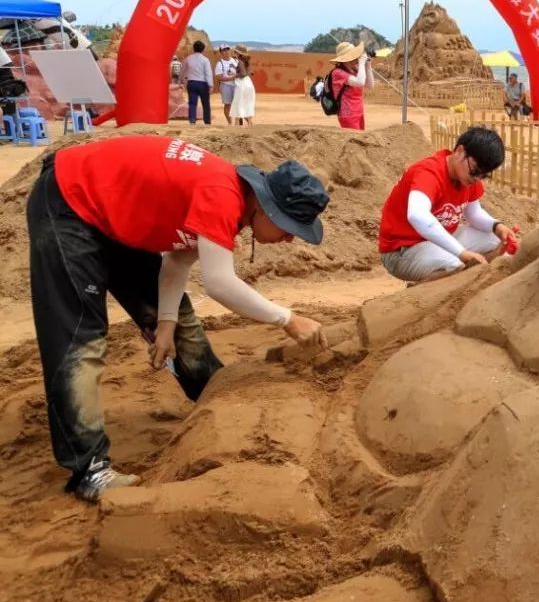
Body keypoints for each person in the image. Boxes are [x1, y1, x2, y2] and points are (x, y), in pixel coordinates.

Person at [26, 135, 331, 502]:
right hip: (69, 200)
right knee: (79, 337)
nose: (289, 241)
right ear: (267, 209)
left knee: (178, 319)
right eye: (289, 230)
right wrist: (288, 320)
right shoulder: (222, 194)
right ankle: (88, 469)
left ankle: (217, 397)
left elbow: (177, 259)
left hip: (114, 214)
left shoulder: (231, 201)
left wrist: (165, 322)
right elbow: (220, 284)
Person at [379, 126, 519, 283]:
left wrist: (497, 227)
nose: (477, 178)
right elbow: (417, 215)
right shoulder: (429, 173)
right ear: (460, 151)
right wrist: (462, 253)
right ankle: (420, 297)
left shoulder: (466, 178)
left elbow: (473, 214)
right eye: (475, 171)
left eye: (483, 175)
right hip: (402, 249)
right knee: (454, 266)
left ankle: (474, 281)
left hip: (437, 239)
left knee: (496, 241)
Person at [330, 41, 368, 131]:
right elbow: (360, 82)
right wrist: (362, 64)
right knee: (354, 141)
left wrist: (368, 67)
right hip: (348, 114)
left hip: (359, 112)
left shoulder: (353, 71)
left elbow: (370, 85)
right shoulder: (337, 73)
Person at [179, 40, 214, 125]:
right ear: (203, 49)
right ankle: (207, 121)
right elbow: (208, 73)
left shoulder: (188, 59)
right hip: (203, 84)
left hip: (192, 83)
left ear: (193, 48)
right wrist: (211, 85)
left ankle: (192, 120)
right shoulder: (205, 60)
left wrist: (181, 81)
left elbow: (183, 71)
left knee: (192, 103)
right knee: (205, 103)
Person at [229, 45, 255, 127]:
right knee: (248, 103)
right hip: (248, 83)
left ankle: (236, 124)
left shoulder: (239, 62)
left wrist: (234, 74)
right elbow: (247, 72)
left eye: (235, 52)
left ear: (238, 53)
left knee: (238, 102)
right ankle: (250, 123)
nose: (234, 53)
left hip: (241, 83)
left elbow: (242, 74)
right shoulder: (247, 61)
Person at [214, 45, 239, 125]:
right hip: (226, 86)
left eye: (227, 49)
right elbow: (219, 77)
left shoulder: (235, 61)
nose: (226, 52)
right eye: (224, 50)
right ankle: (230, 122)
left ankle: (237, 123)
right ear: (221, 52)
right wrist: (232, 78)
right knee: (227, 104)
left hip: (236, 85)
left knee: (237, 104)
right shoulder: (220, 63)